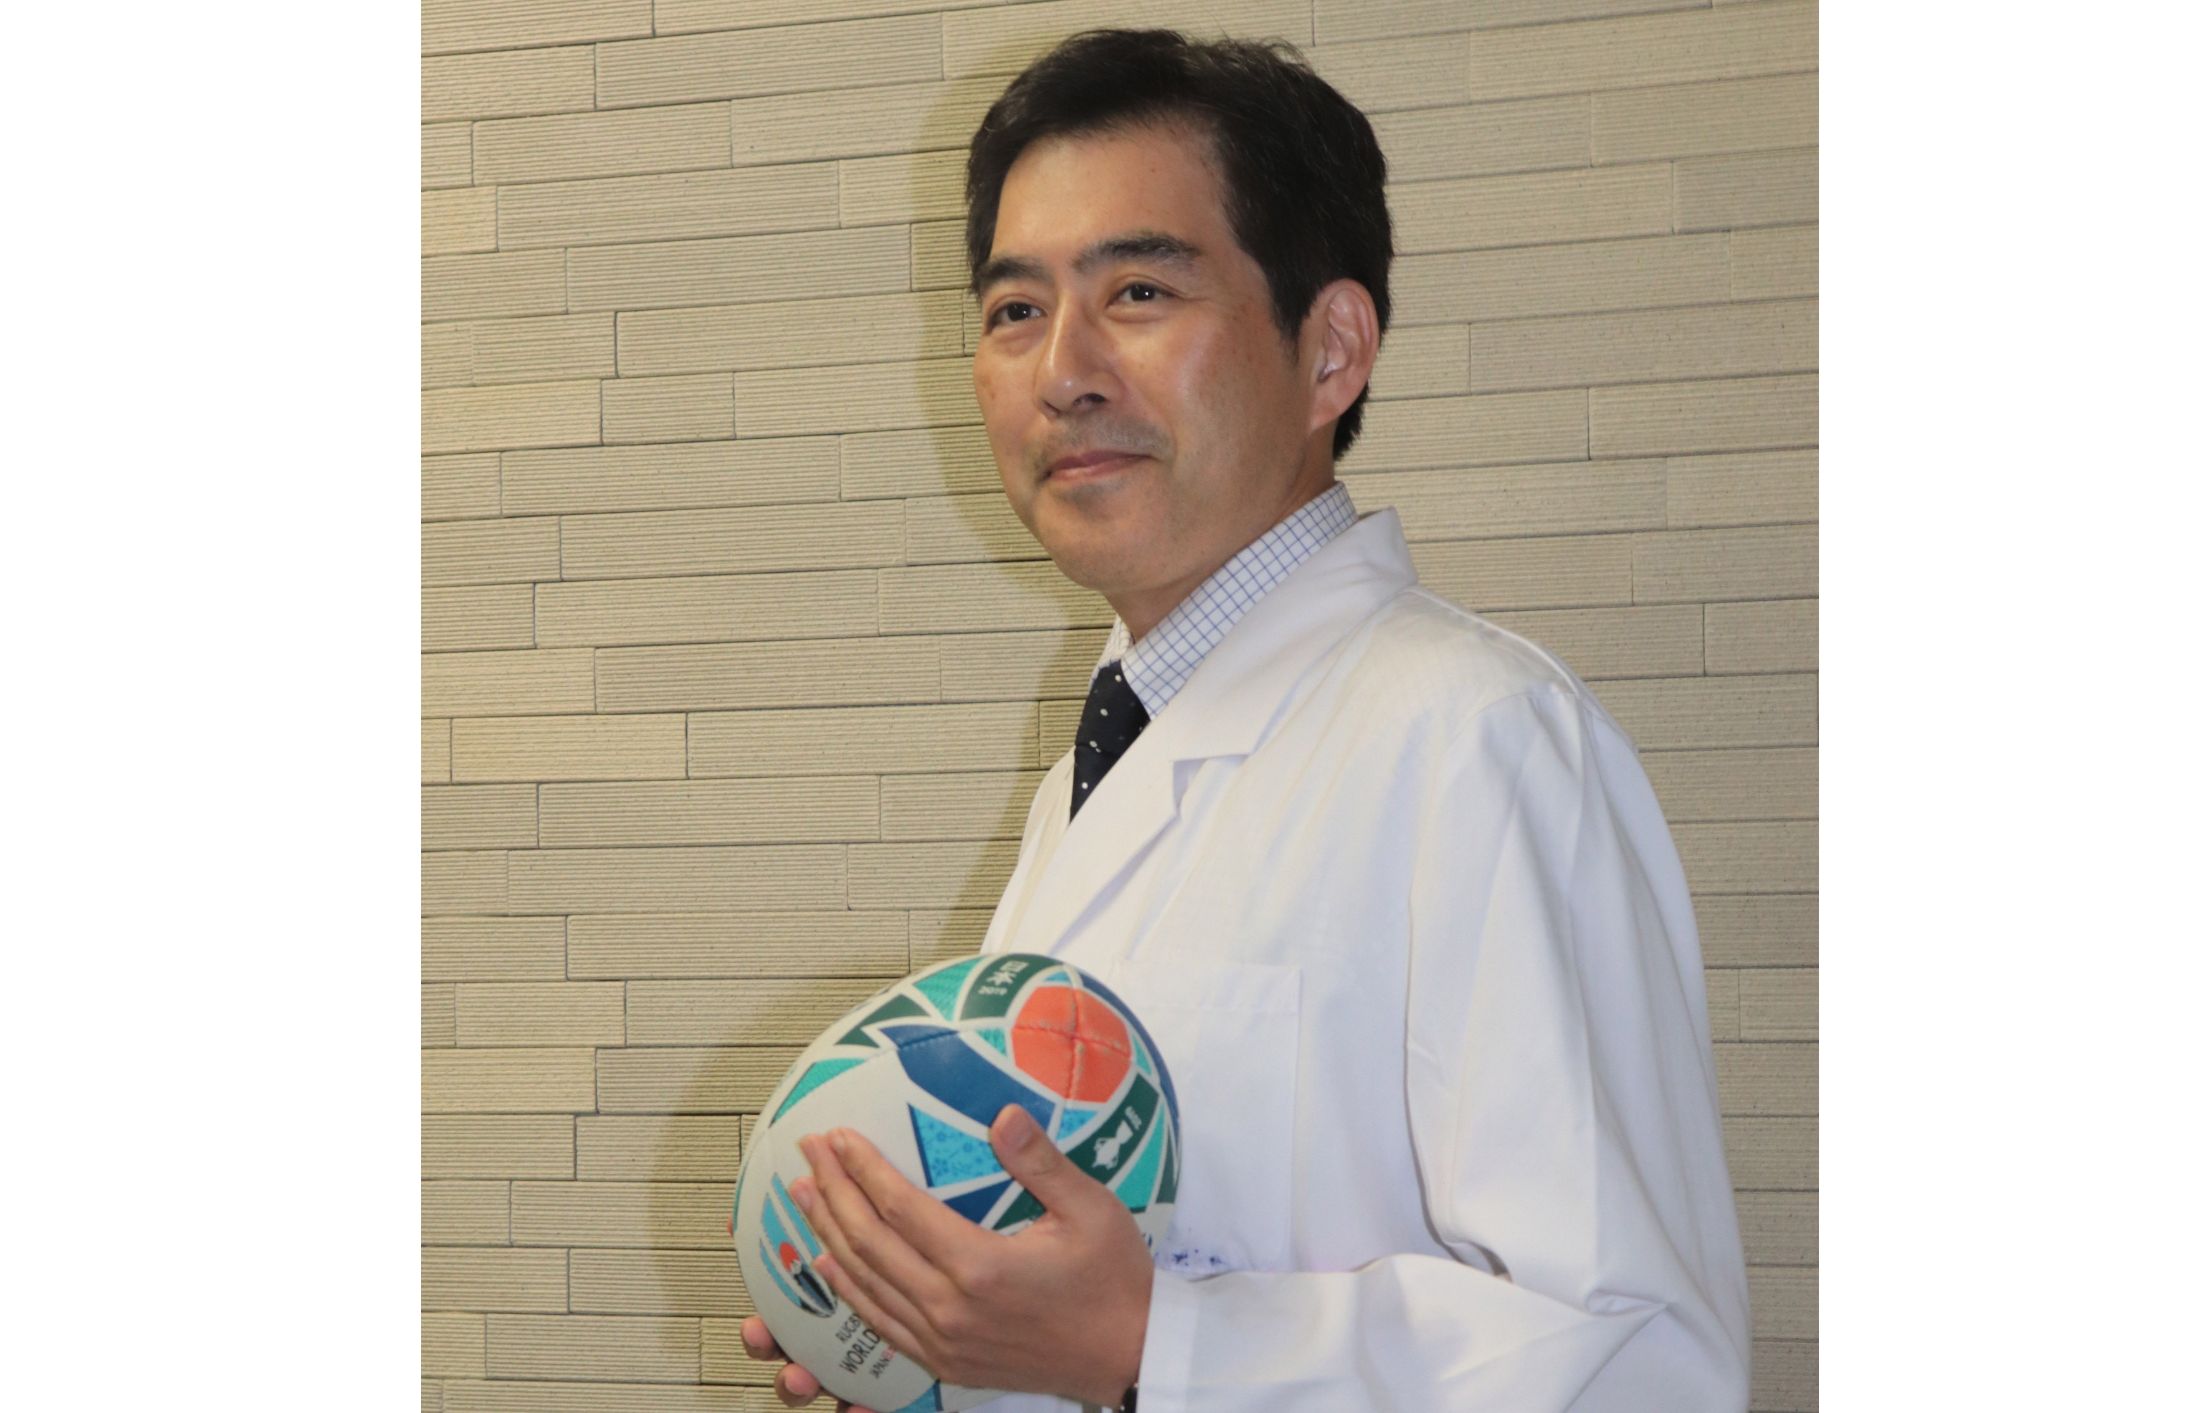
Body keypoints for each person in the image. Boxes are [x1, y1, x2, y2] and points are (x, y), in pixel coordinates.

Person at [742, 29, 1751, 1412]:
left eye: (1139, 291)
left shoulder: (1483, 740)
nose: (1062, 372)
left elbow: (1642, 1359)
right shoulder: (1104, 763)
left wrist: (1152, 1346)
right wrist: (950, 1351)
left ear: (1330, 349)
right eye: (1015, 309)